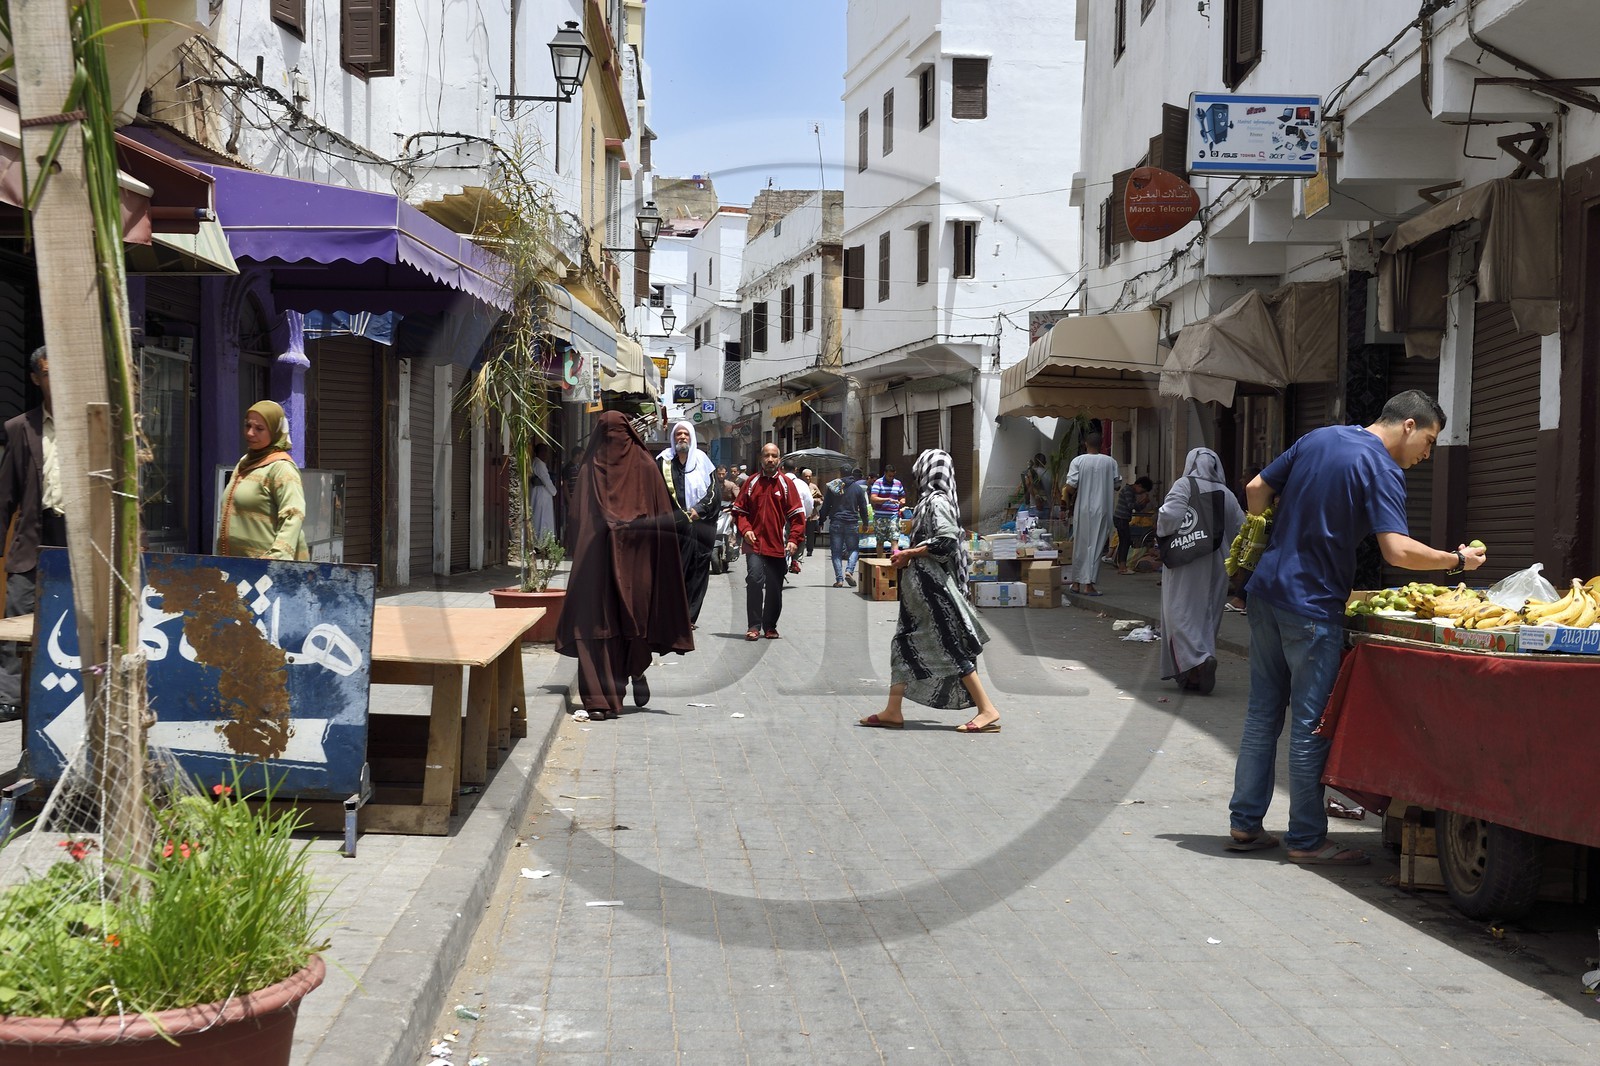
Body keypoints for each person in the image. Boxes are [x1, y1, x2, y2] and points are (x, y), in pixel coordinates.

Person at [1227, 390, 1486, 865]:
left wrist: (1264, 529)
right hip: (1312, 606)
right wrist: (1457, 561)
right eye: (1428, 442)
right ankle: (1306, 840)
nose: (1426, 455)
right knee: (1309, 727)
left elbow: (1256, 489)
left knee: (1263, 714)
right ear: (1408, 425)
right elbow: (1397, 552)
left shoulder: (1320, 438)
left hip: (1265, 594)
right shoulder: (1381, 468)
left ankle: (1245, 823)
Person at [555, 411, 693, 721]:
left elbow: (576, 521)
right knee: (626, 622)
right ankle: (617, 686)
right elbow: (661, 520)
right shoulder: (645, 466)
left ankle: (610, 692)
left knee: (602, 626)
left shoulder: (591, 467)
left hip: (599, 562)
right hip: (635, 565)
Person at [858, 450, 1002, 734]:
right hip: (919, 591)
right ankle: (893, 710)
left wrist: (910, 552)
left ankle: (987, 709)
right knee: (903, 645)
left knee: (949, 647)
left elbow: (946, 541)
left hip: (934, 590)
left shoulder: (937, 502)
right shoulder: (928, 502)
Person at [0, 346, 67, 722]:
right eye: (47, 374)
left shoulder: (89, 426)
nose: (54, 382)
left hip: (74, 537)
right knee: (18, 615)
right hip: (32, 536)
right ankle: (11, 697)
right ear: (35, 379)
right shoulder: (19, 427)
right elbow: (5, 494)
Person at [1157, 450, 1243, 694]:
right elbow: (1241, 529)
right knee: (1208, 614)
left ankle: (1198, 661)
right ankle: (1196, 672)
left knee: (1179, 611)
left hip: (1187, 560)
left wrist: (1164, 527)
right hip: (1218, 563)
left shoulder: (1184, 484)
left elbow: (1169, 517)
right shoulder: (1227, 494)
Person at [218, 400, 310, 561]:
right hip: (239, 567)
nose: (250, 433)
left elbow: (293, 515)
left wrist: (277, 558)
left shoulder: (281, 468)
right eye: (248, 426)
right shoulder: (245, 463)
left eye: (259, 428)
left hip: (267, 573)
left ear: (274, 431)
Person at [732, 442, 806, 640]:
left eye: (774, 456)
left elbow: (798, 516)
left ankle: (770, 625)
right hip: (754, 544)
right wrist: (745, 529)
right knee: (755, 580)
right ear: (761, 458)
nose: (770, 459)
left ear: (779, 459)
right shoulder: (751, 482)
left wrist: (793, 539)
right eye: (767, 455)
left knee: (774, 587)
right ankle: (754, 626)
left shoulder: (786, 484)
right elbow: (739, 511)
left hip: (777, 546)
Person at [657, 421, 720, 627]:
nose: (682, 437)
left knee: (698, 569)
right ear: (673, 438)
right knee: (675, 568)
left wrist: (698, 510)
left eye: (686, 434)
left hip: (700, 524)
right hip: (674, 526)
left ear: (691, 438)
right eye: (678, 434)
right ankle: (673, 612)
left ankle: (689, 617)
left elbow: (713, 492)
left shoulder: (702, 460)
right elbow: (655, 492)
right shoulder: (664, 461)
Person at [1064, 431, 1121, 595]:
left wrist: (1065, 492)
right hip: (1102, 509)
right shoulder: (1110, 462)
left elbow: (1071, 485)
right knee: (1095, 547)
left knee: (1080, 545)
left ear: (1085, 444)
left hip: (1083, 509)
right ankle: (1089, 585)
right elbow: (1117, 485)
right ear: (1102, 444)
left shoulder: (1078, 461)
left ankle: (1076, 583)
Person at [821, 464, 871, 588]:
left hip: (836, 522)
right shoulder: (858, 489)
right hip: (852, 522)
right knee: (853, 549)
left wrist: (821, 520)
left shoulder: (834, 487)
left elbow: (826, 505)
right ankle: (849, 570)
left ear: (841, 473)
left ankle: (839, 580)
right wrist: (865, 523)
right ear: (852, 474)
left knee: (836, 552)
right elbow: (863, 507)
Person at [1113, 476, 1155, 575]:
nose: (1140, 493)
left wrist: (1143, 503)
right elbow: (1131, 506)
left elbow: (1136, 508)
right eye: (1142, 491)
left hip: (1122, 519)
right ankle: (1122, 567)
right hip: (1121, 518)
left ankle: (1122, 565)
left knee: (1125, 541)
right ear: (1139, 485)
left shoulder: (1130, 491)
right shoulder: (1128, 490)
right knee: (1125, 541)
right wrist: (1143, 502)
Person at [869, 462, 905, 556]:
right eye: (889, 476)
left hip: (894, 516)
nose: (891, 478)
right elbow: (873, 498)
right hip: (880, 517)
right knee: (880, 541)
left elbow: (902, 496)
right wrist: (887, 499)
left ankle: (894, 562)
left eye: (893, 476)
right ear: (885, 473)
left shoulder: (898, 483)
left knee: (895, 539)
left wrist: (902, 501)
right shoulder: (878, 483)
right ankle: (880, 562)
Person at [528, 442, 558, 542]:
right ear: (540, 452)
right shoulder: (539, 464)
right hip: (542, 493)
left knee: (542, 517)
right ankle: (541, 541)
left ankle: (542, 541)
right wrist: (554, 491)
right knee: (542, 517)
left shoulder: (538, 463)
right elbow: (546, 479)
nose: (547, 455)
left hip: (542, 493)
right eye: (545, 452)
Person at [801, 468, 823, 556]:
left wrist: (814, 500)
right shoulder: (800, 485)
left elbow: (820, 499)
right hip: (801, 513)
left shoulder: (813, 487)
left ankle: (810, 550)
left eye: (809, 476)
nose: (808, 478)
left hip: (812, 515)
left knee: (810, 534)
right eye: (806, 476)